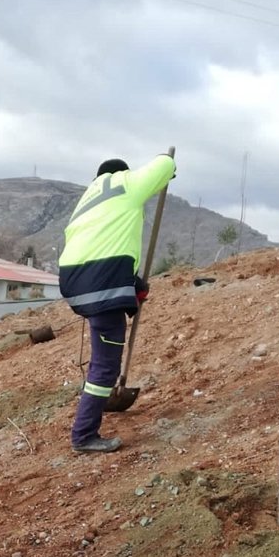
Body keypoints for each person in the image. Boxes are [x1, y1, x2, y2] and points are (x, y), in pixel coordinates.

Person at [59, 151, 176, 453]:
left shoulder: (88, 201)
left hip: (76, 281)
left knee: (112, 327)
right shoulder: (124, 184)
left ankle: (91, 414)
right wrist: (167, 164)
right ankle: (83, 435)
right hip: (100, 285)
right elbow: (165, 164)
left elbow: (105, 249)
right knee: (105, 366)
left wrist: (134, 287)